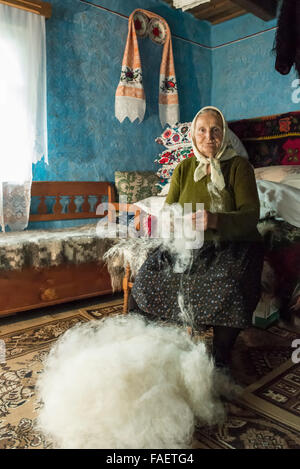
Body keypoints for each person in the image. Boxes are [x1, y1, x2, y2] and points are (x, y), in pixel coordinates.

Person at [129, 106, 264, 370]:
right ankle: (139, 345)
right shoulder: (183, 168)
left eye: (215, 130)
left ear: (224, 134)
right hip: (191, 244)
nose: (208, 136)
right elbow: (169, 208)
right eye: (201, 130)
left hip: (233, 245)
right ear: (193, 135)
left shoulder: (239, 167)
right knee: (147, 277)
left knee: (229, 285)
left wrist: (215, 220)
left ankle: (221, 356)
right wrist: (171, 221)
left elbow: (250, 216)